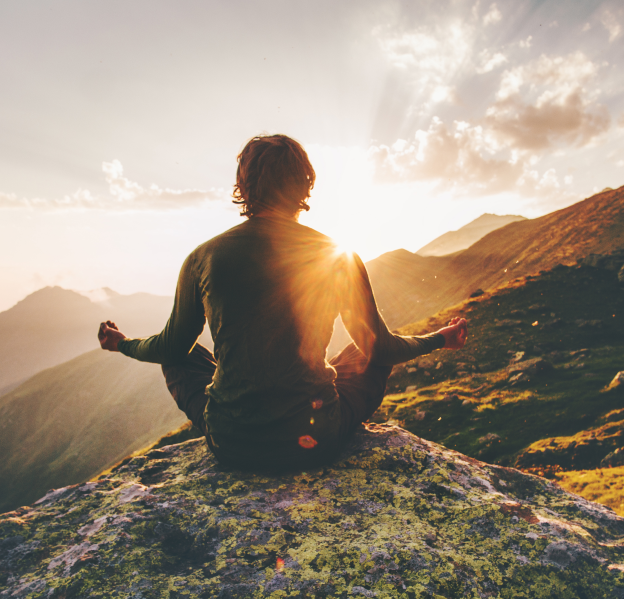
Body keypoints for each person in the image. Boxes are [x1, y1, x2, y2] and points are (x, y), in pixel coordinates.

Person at [98, 134, 467, 471]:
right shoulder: (337, 255)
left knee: (181, 354)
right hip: (315, 442)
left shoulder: (203, 257)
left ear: (243, 186)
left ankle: (239, 413)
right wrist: (440, 338)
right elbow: (382, 349)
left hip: (232, 444)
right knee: (365, 352)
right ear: (305, 184)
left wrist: (122, 344)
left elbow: (169, 347)